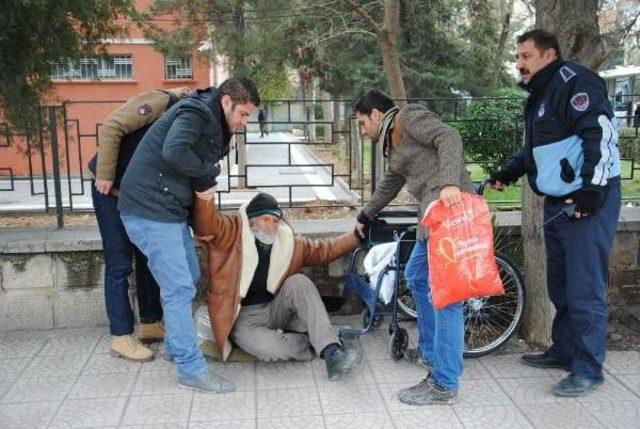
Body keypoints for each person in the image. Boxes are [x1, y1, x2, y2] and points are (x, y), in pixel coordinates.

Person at [489, 29, 621, 397]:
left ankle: (589, 368)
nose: (519, 64)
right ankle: (564, 351)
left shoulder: (575, 82)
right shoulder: (542, 94)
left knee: (584, 289)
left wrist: (591, 194)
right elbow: (538, 150)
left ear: (549, 55)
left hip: (585, 203)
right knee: (559, 285)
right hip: (557, 203)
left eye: (526, 56)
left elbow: (601, 135)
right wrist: (509, 171)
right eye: (517, 57)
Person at [117, 76, 261, 393]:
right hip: (148, 209)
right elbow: (175, 151)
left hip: (165, 209)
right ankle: (190, 367)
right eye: (243, 114)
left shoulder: (214, 122)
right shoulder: (195, 113)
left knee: (189, 274)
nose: (244, 121)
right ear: (227, 102)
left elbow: (194, 171)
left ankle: (174, 345)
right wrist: (210, 172)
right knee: (179, 287)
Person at [353, 90, 474, 405]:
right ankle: (431, 352)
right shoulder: (393, 145)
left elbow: (450, 136)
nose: (362, 130)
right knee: (418, 276)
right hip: (431, 216)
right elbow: (389, 185)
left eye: (362, 122)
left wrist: (449, 182)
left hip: (448, 209)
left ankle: (444, 382)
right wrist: (365, 215)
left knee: (446, 297)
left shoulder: (408, 116)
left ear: (377, 114)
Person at [192, 191, 363, 380]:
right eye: (266, 219)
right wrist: (204, 195)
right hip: (243, 317)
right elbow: (206, 225)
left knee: (299, 282)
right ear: (251, 220)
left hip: (276, 307)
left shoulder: (287, 241)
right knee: (268, 348)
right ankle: (321, 338)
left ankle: (332, 353)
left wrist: (356, 235)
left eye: (275, 221)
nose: (271, 227)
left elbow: (325, 250)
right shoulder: (230, 233)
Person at [89, 87, 191, 362]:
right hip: (110, 190)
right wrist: (106, 174)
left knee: (149, 258)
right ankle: (121, 336)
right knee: (119, 262)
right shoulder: (162, 102)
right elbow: (112, 126)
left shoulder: (189, 126)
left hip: (140, 196)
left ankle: (150, 323)